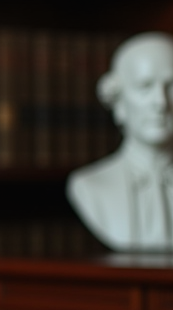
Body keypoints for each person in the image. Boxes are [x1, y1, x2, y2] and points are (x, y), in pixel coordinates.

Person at [67, 31, 173, 251]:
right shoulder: (89, 186)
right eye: (145, 87)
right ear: (118, 101)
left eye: (171, 87)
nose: (161, 102)